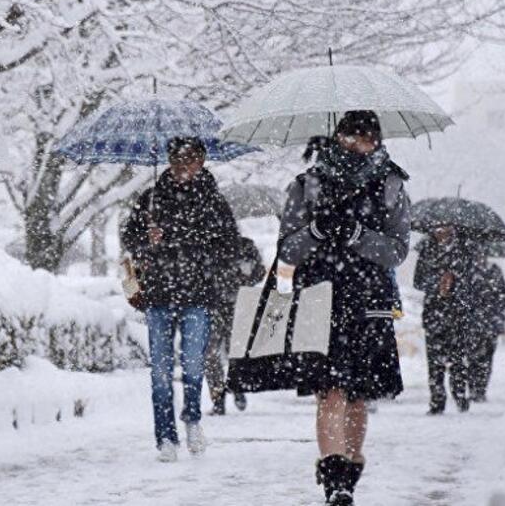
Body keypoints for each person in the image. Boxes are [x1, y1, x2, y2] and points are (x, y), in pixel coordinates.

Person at [279, 111, 410, 505]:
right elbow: (287, 248)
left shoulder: (391, 184)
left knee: (357, 394)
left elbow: (397, 251)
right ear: (337, 138)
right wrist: (317, 230)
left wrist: (357, 235)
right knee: (330, 392)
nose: (357, 146)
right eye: (350, 138)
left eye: (366, 138)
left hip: (369, 301)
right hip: (321, 300)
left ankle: (349, 475)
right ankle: (334, 480)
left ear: (377, 140)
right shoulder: (308, 185)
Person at [120, 136, 240, 463]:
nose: (182, 168)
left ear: (201, 162)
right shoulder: (152, 198)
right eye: (176, 161)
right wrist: (148, 238)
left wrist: (188, 242)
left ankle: (192, 419)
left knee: (192, 366)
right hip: (158, 295)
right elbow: (129, 238)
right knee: (160, 372)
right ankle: (165, 437)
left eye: (189, 161)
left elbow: (231, 246)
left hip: (197, 296)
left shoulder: (213, 202)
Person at [413, 227, 480, 415]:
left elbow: (472, 283)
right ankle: (437, 401)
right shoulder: (427, 250)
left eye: (445, 227)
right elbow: (418, 281)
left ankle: (460, 396)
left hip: (457, 315)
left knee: (458, 359)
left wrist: (454, 283)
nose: (440, 231)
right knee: (434, 362)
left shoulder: (464, 250)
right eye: (437, 228)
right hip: (433, 314)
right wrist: (437, 284)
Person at [205, 235, 266, 415]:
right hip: (222, 303)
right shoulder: (240, 244)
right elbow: (259, 271)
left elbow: (259, 271)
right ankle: (224, 393)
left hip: (228, 303)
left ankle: (227, 391)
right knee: (220, 351)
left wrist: (242, 280)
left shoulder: (241, 245)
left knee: (220, 351)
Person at [467, 259, 505, 401]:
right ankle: (473, 388)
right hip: (473, 322)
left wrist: (493, 304)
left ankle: (480, 389)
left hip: (491, 322)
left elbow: (503, 294)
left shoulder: (494, 270)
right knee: (472, 357)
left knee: (487, 357)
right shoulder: (467, 269)